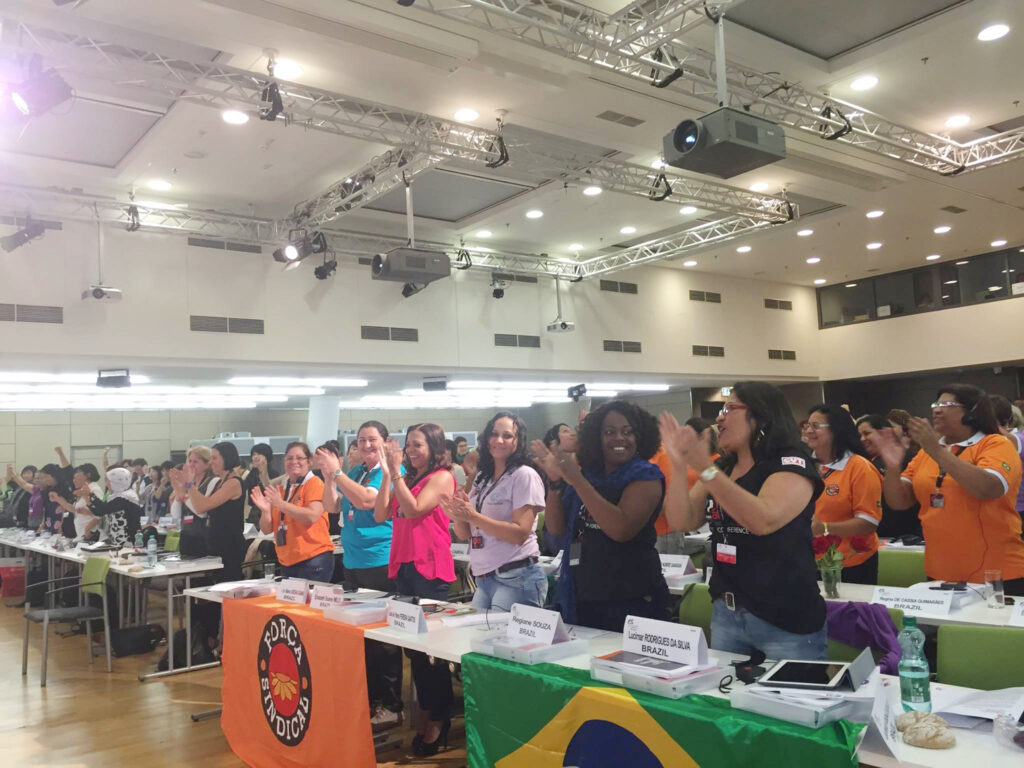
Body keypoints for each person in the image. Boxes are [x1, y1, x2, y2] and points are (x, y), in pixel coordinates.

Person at [660, 382, 827, 660]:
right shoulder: (725, 468)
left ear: (760, 415)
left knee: (782, 701)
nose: (719, 418)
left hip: (783, 618)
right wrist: (678, 466)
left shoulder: (790, 464)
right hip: (728, 613)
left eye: (729, 408)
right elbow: (681, 520)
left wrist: (705, 468)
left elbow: (762, 520)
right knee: (728, 700)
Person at [535, 400, 668, 632]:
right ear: (596, 438)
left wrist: (576, 479)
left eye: (628, 432)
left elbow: (620, 529)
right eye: (609, 432)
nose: (619, 438)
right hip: (582, 595)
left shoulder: (646, 476)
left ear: (640, 437)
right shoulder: (590, 474)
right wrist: (555, 483)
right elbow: (556, 528)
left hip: (631, 600)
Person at [879, 384, 1024, 592]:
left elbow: (988, 488)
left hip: (997, 572)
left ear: (973, 412)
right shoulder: (927, 452)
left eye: (947, 404)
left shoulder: (995, 444)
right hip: (940, 573)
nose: (937, 410)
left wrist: (935, 450)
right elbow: (899, 501)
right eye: (936, 404)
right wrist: (892, 468)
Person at [374, 424, 456, 757]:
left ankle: (439, 717)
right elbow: (381, 513)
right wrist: (386, 474)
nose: (411, 450)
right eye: (408, 445)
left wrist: (396, 475)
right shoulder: (403, 477)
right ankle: (428, 711)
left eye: (418, 445)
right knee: (414, 651)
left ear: (435, 448)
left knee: (432, 653)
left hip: (430, 571)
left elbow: (414, 509)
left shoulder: (443, 477)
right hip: (405, 570)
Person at [319, 421, 403, 728]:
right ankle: (370, 700)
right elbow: (331, 505)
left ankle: (392, 704)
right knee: (360, 637)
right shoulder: (356, 472)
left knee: (384, 640)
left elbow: (367, 500)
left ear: (386, 442)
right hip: (353, 562)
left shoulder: (388, 472)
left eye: (372, 439)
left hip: (379, 561)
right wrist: (331, 476)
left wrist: (337, 473)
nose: (366, 445)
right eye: (361, 440)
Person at [442, 411, 547, 611]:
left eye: (507, 436)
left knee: (501, 641)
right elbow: (466, 533)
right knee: (478, 639)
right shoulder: (483, 477)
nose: (498, 440)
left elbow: (519, 534)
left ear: (518, 441)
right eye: (494, 434)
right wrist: (458, 515)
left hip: (516, 575)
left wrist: (473, 516)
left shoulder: (524, 475)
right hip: (484, 577)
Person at [804, 405, 882, 585]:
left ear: (836, 430)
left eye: (815, 426)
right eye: (807, 426)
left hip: (851, 563)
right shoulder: (805, 465)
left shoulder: (860, 468)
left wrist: (823, 528)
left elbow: (868, 523)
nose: (808, 431)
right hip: (810, 560)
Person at [250, 441, 333, 582]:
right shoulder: (282, 489)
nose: (294, 462)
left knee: (307, 604)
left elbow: (311, 516)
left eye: (299, 458)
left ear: (309, 461)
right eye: (289, 458)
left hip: (312, 559)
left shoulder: (315, 483)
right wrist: (265, 511)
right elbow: (266, 529)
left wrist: (281, 504)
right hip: (287, 561)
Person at [170, 442, 245, 582]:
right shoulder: (220, 483)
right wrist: (182, 490)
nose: (211, 462)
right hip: (214, 543)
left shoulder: (233, 483)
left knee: (224, 588)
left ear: (226, 459)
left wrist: (188, 485)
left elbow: (202, 507)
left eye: (215, 458)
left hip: (229, 546)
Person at [650, 417, 717, 554]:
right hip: (669, 524)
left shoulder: (715, 462)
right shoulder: (680, 460)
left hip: (669, 528)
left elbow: (715, 477)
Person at [856, 414, 922, 540]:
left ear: (884, 433)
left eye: (867, 433)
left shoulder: (907, 458)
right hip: (876, 534)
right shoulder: (861, 462)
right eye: (859, 436)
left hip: (905, 536)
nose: (863, 439)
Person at [84, 467, 142, 547]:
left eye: (108, 481)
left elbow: (103, 509)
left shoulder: (126, 497)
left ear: (117, 482)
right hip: (117, 540)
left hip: (128, 540)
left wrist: (91, 494)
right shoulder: (116, 496)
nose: (107, 484)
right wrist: (87, 498)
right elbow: (99, 512)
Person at [51, 464, 103, 540]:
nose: (74, 480)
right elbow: (75, 510)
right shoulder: (82, 491)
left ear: (88, 475)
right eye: (73, 478)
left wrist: (88, 529)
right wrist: (58, 499)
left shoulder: (94, 489)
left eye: (76, 477)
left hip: (91, 534)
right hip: (81, 533)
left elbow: (100, 514)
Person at [242, 443, 273, 525]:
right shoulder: (252, 473)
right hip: (252, 511)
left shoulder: (273, 473)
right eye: (253, 454)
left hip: (267, 510)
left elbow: (269, 488)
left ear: (266, 456)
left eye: (259, 454)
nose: (255, 457)